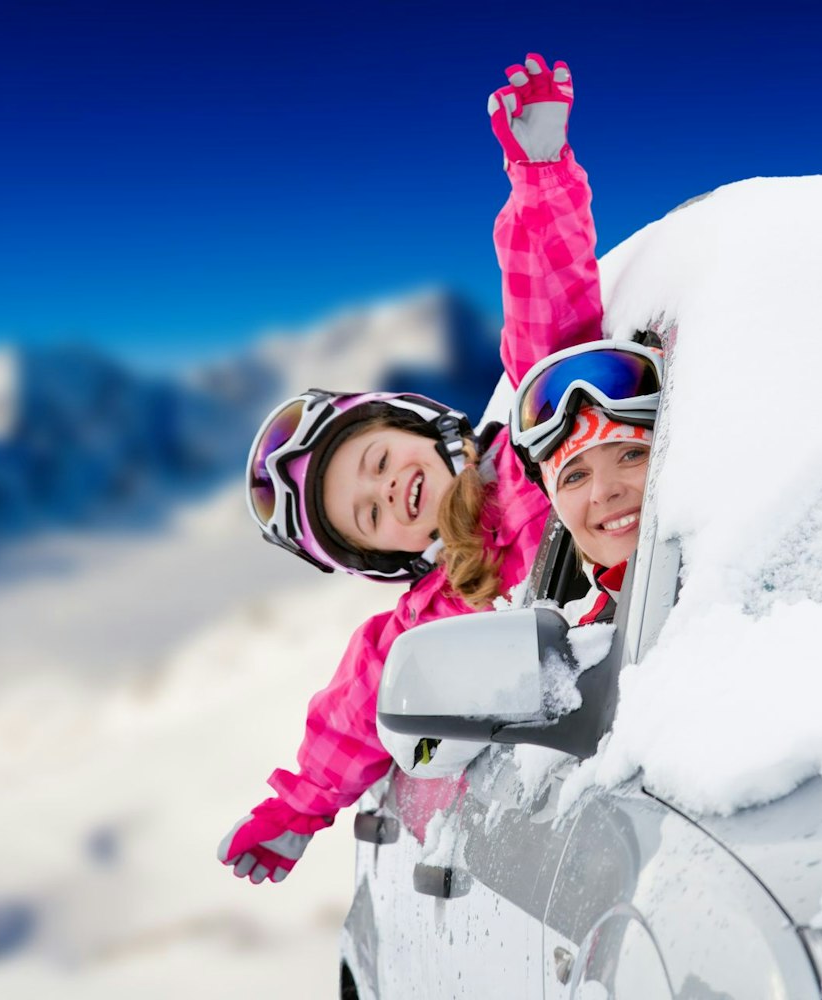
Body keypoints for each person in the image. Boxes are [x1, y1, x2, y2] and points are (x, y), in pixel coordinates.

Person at [218, 52, 604, 885]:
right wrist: (297, 810)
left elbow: (551, 319)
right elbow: (355, 715)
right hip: (594, 763)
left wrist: (539, 177)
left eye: (379, 459)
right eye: (369, 513)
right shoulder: (423, 626)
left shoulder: (532, 451)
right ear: (381, 555)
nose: (388, 488)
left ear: (424, 429)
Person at [509, 339, 664, 625]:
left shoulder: (750, 556)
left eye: (631, 454)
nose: (604, 492)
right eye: (575, 477)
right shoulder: (571, 646)